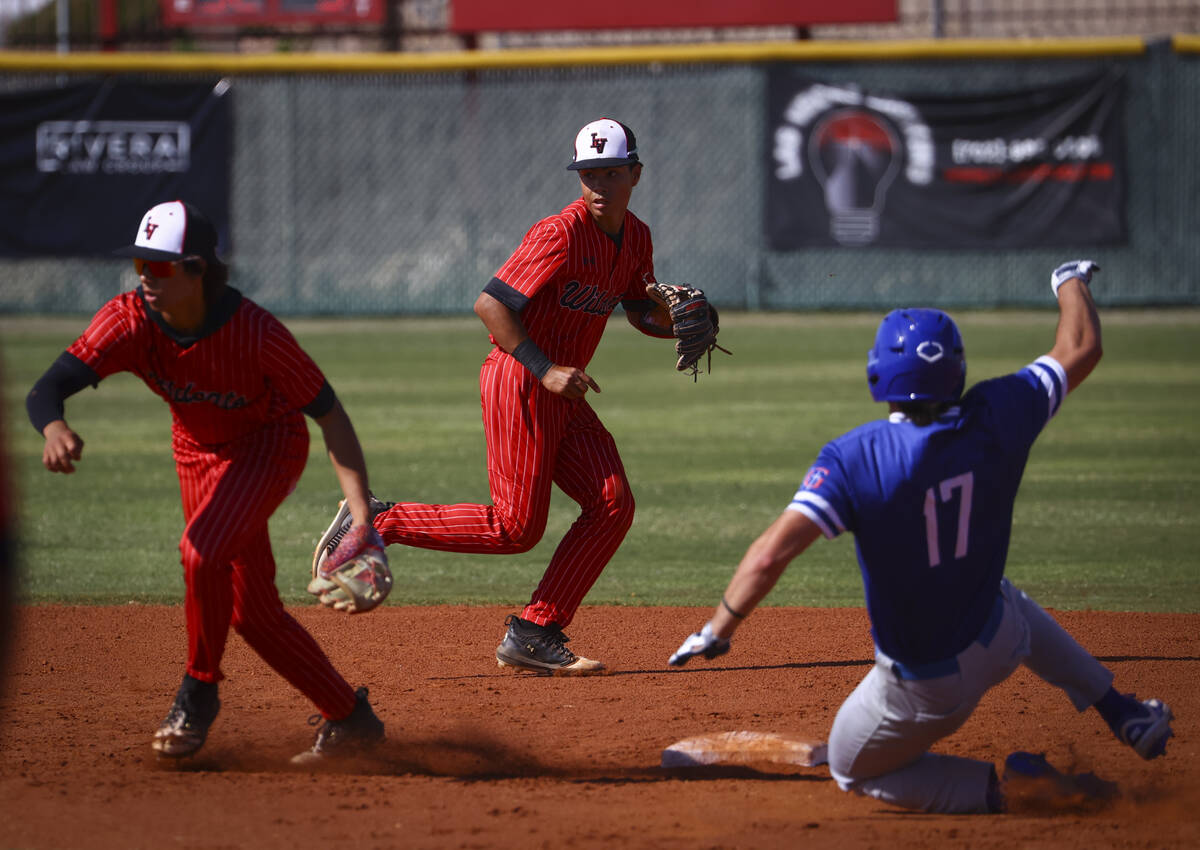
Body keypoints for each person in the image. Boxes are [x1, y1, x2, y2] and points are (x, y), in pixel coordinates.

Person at [668, 260, 1175, 813]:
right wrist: (1069, 279)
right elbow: (1081, 347)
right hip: (999, 638)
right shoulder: (999, 411)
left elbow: (770, 555)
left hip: (925, 687)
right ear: (956, 368)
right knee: (1005, 597)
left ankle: (1015, 792)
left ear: (877, 371)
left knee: (850, 767)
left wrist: (718, 629)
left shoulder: (855, 457)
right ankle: (1121, 710)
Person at [313, 118, 686, 675]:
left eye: (611, 173)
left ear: (635, 173)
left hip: (564, 390)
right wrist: (545, 369)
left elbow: (639, 310)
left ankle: (535, 631)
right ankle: (379, 521)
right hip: (520, 380)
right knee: (515, 529)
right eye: (588, 174)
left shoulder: (637, 237)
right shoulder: (559, 233)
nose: (599, 185)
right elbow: (490, 304)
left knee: (611, 504)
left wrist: (682, 322)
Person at [26, 200, 385, 763]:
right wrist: (54, 428)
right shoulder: (128, 320)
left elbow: (330, 415)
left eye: (158, 266)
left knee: (200, 552)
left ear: (197, 269)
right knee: (252, 615)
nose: (144, 278)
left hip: (267, 447)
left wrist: (362, 518)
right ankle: (350, 718)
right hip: (195, 453)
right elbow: (46, 389)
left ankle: (198, 690)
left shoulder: (257, 333)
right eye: (139, 265)